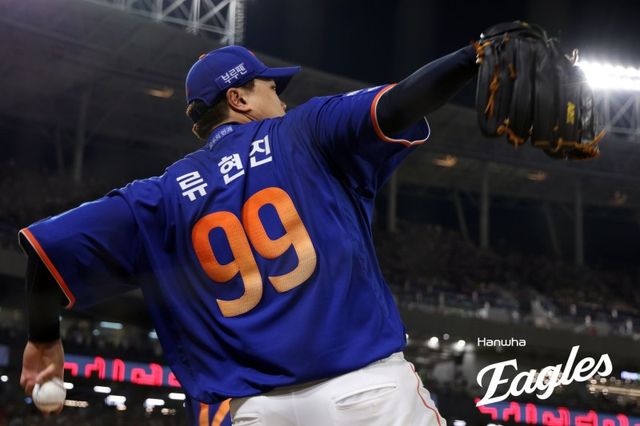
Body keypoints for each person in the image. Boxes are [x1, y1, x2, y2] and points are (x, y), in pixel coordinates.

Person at [19, 42, 478, 425]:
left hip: (255, 413)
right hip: (365, 395)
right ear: (239, 99)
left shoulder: (157, 198)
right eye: (272, 89)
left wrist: (43, 340)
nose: (282, 101)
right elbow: (397, 103)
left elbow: (46, 250)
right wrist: (472, 56)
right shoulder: (302, 132)